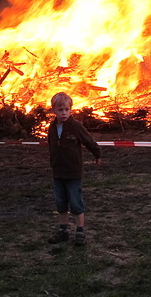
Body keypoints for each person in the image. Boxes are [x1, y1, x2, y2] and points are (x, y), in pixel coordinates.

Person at [46, 92, 101, 246]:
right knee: (60, 203)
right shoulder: (51, 127)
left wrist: (97, 154)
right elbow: (52, 146)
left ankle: (80, 231)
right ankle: (63, 230)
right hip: (58, 172)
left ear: (71, 110)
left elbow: (88, 141)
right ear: (53, 111)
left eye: (66, 109)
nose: (63, 113)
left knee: (76, 203)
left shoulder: (75, 127)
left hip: (73, 173)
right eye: (60, 110)